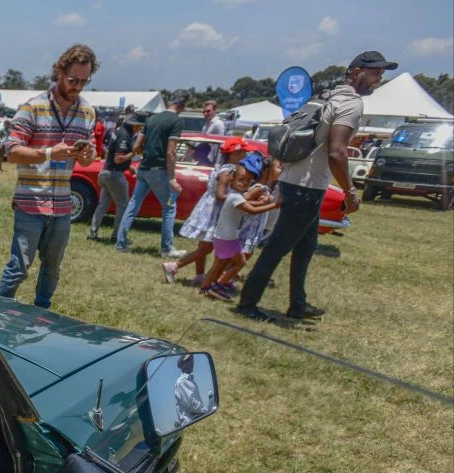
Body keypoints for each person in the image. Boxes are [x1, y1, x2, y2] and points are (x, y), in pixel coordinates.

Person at [237, 51, 388, 321]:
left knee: (306, 246)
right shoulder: (351, 104)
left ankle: (298, 303)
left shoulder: (325, 95)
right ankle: (247, 303)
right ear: (355, 72)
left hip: (296, 180)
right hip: (307, 186)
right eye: (375, 73)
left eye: (381, 74)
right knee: (277, 247)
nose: (379, 79)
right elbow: (337, 153)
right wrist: (350, 192)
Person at [0, 44, 98, 308]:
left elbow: (86, 156)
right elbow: (12, 151)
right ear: (59, 72)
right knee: (19, 266)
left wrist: (87, 156)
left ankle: (42, 317)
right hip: (30, 202)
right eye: (73, 79)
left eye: (83, 81)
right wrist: (51, 153)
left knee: (52, 269)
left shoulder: (87, 112)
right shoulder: (32, 108)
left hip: (63, 205)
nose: (77, 86)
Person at [163, 136, 249, 284]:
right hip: (214, 211)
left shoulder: (222, 167)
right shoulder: (228, 171)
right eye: (243, 152)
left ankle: (199, 275)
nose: (245, 156)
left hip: (208, 207)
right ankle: (174, 266)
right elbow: (220, 195)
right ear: (235, 153)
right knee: (206, 248)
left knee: (203, 245)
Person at [196, 153, 279, 300]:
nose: (245, 184)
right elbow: (251, 209)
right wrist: (273, 205)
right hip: (227, 237)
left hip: (226, 236)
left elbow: (248, 204)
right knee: (232, 263)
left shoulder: (236, 195)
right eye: (241, 180)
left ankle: (208, 286)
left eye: (248, 181)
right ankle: (216, 286)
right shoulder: (235, 196)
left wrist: (262, 202)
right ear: (232, 178)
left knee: (222, 264)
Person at [115, 91, 187, 258]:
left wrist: (147, 153)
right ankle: (167, 248)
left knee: (133, 205)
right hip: (160, 170)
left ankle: (121, 243)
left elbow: (136, 146)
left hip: (144, 167)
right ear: (182, 105)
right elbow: (171, 152)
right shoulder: (176, 121)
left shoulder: (151, 119)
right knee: (169, 208)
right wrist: (172, 178)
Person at [89, 110, 143, 242]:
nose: (140, 128)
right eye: (140, 126)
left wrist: (128, 167)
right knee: (123, 205)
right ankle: (117, 235)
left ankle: (93, 232)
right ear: (134, 125)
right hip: (115, 175)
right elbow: (119, 159)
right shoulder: (125, 136)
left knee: (102, 205)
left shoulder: (118, 131)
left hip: (106, 172)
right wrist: (133, 153)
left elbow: (110, 155)